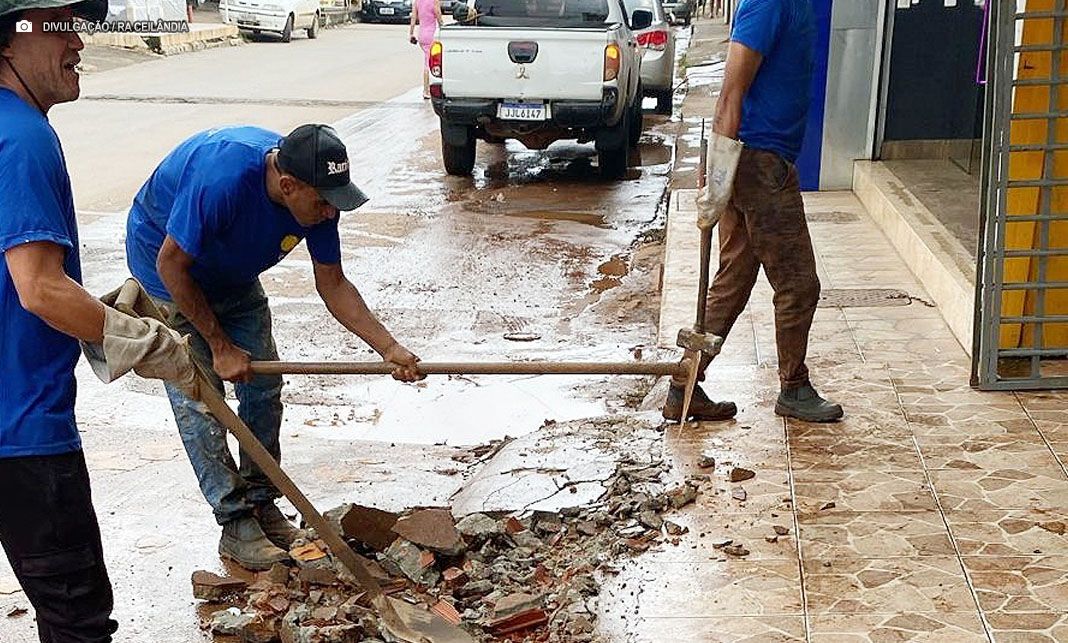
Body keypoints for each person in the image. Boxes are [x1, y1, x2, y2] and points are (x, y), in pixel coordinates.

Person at [124, 124, 425, 571]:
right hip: (167, 274)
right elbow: (172, 263)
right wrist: (219, 345)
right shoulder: (222, 179)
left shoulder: (319, 199)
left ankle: (263, 502)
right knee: (201, 399)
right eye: (323, 202)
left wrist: (390, 348)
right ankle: (236, 523)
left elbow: (334, 284)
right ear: (288, 185)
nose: (329, 213)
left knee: (264, 386)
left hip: (232, 274)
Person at [1, 2, 196, 640]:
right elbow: (38, 290)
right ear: (8, 42)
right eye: (56, 25)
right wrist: (139, 340)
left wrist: (99, 308)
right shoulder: (22, 137)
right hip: (21, 433)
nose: (78, 41)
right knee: (76, 621)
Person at [663, 0, 843, 424]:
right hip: (759, 161)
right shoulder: (768, 2)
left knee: (734, 280)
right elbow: (731, 90)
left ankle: (683, 384)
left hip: (764, 159)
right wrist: (718, 175)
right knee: (799, 283)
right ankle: (794, 387)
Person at [409, 0, 442, 99]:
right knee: (429, 63)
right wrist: (442, 27)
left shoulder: (417, 1)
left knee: (426, 60)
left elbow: (413, 17)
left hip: (422, 34)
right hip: (431, 34)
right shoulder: (434, 1)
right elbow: (438, 14)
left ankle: (426, 89)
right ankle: (426, 90)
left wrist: (411, 33)